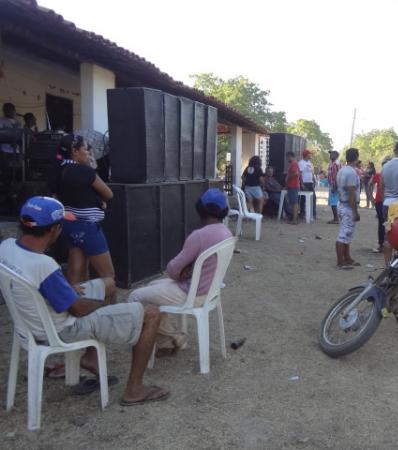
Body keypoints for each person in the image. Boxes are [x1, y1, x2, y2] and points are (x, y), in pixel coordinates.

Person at [0, 196, 169, 405]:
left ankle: (91, 357)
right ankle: (134, 389)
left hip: (29, 325)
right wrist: (101, 303)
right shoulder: (44, 265)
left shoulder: (6, 247)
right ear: (53, 229)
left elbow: (41, 288)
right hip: (64, 329)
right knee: (151, 313)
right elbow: (79, 310)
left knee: (108, 284)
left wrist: (72, 292)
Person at [128, 189, 232, 354]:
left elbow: (172, 270)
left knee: (135, 296)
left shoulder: (199, 235)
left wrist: (184, 270)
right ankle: (167, 341)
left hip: (192, 293)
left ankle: (173, 337)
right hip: (210, 291)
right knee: (152, 286)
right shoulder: (226, 233)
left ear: (200, 208)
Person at [50, 134, 115, 291]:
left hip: (68, 225)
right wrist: (101, 201)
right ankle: (110, 310)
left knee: (76, 271)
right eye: (86, 149)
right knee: (108, 276)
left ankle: (75, 307)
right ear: (74, 151)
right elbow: (109, 194)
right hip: (88, 228)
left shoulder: (57, 170)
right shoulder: (83, 171)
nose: (88, 152)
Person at [335, 148, 361, 269]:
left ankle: (347, 258)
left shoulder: (342, 170)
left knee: (347, 233)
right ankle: (341, 261)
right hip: (348, 206)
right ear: (356, 158)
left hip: (342, 203)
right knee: (344, 234)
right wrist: (355, 211)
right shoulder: (351, 172)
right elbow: (351, 192)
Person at [369, 156, 390, 253]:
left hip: (390, 202)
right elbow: (370, 184)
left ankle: (389, 244)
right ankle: (382, 244)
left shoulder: (390, 175)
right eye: (385, 164)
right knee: (382, 223)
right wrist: (371, 198)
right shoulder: (378, 175)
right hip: (380, 202)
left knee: (390, 224)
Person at [298, 149, 317, 220]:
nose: (311, 155)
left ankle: (313, 214)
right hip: (305, 183)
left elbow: (311, 172)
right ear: (306, 155)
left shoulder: (309, 162)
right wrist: (301, 183)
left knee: (313, 198)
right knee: (303, 199)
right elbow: (300, 173)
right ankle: (302, 214)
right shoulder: (301, 163)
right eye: (310, 154)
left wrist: (314, 180)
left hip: (310, 182)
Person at [285, 151, 301, 224]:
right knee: (294, 202)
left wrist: (288, 177)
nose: (287, 158)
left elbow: (296, 173)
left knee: (294, 203)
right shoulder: (294, 164)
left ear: (290, 156)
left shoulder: (293, 164)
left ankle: (294, 220)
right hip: (293, 186)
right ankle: (293, 219)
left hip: (293, 186)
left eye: (287, 157)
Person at [326, 150, 342, 224]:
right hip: (333, 184)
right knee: (334, 202)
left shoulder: (335, 164)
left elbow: (336, 175)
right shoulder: (334, 163)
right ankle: (336, 218)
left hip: (334, 185)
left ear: (336, 155)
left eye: (332, 154)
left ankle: (336, 219)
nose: (330, 155)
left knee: (334, 202)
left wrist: (335, 186)